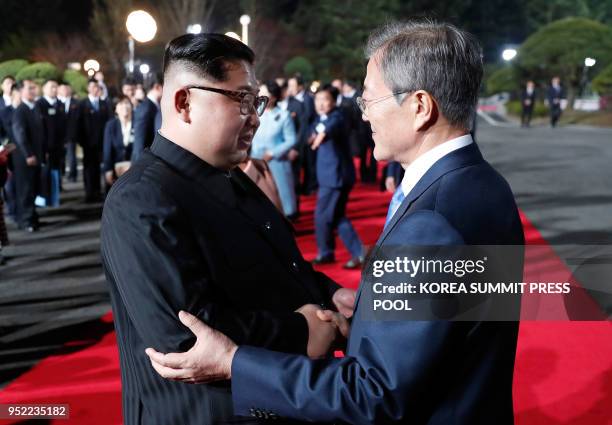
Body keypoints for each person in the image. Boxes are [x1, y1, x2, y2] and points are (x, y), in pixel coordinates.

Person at [146, 20, 525, 425]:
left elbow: (374, 395)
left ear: (420, 107)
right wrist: (367, 317)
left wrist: (235, 363)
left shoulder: (431, 222)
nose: (363, 115)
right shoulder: (486, 185)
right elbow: (449, 329)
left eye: (369, 101)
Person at [101, 33, 354, 425]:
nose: (255, 116)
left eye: (257, 101)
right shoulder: (141, 199)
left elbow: (281, 271)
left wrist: (329, 295)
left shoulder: (231, 177)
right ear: (185, 102)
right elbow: (185, 338)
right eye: (241, 100)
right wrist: (300, 331)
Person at [310, 84, 365, 269]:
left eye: (325, 100)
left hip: (335, 176)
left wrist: (319, 137)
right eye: (317, 99)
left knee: (322, 216)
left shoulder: (338, 116)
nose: (320, 104)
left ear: (334, 101)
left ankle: (327, 252)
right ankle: (356, 253)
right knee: (336, 216)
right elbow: (311, 134)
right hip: (331, 175)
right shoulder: (320, 117)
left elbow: (328, 129)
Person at [250, 81, 298, 218]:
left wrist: (273, 152)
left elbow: (291, 139)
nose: (261, 97)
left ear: (274, 97)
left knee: (283, 199)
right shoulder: (256, 114)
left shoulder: (284, 115)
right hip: (256, 160)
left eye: (265, 95)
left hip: (277, 162)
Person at [11, 79, 44, 231]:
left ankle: (33, 217)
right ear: (21, 91)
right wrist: (29, 154)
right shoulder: (20, 110)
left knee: (33, 188)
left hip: (36, 155)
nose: (33, 90)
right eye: (29, 88)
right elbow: (20, 134)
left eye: (33, 88)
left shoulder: (36, 107)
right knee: (25, 189)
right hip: (25, 157)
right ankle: (26, 221)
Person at [77, 78, 110, 202]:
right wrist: (81, 140)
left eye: (96, 87)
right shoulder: (82, 104)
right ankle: (89, 192)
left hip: (102, 142)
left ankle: (98, 191)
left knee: (100, 167)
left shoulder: (104, 104)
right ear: (88, 89)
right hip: (88, 142)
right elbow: (78, 124)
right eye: (92, 87)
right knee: (89, 168)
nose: (95, 89)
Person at [36, 78, 65, 207]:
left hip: (58, 146)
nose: (54, 89)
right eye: (51, 87)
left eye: (55, 87)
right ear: (44, 89)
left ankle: (54, 199)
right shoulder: (39, 104)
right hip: (45, 147)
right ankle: (44, 199)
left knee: (56, 172)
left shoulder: (60, 104)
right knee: (44, 173)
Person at [287, 75, 317, 194]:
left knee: (308, 165)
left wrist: (313, 133)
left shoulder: (309, 99)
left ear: (300, 86)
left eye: (292, 86)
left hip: (308, 137)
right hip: (296, 138)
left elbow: (312, 118)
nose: (290, 88)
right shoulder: (290, 100)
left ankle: (309, 187)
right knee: (297, 166)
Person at [103, 95, 134, 189]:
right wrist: (108, 169)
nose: (125, 106)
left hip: (135, 170)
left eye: (127, 103)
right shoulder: (111, 125)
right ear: (115, 109)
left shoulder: (138, 123)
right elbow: (107, 150)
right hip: (116, 170)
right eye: (120, 104)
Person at [131, 77, 162, 162]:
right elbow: (139, 142)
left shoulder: (152, 106)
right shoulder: (146, 108)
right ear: (157, 87)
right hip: (144, 163)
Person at [58, 82, 79, 182]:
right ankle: (61, 176)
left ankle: (73, 175)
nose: (65, 91)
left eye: (67, 89)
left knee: (71, 155)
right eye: (63, 89)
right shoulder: (56, 103)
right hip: (59, 135)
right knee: (60, 156)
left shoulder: (76, 103)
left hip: (72, 134)